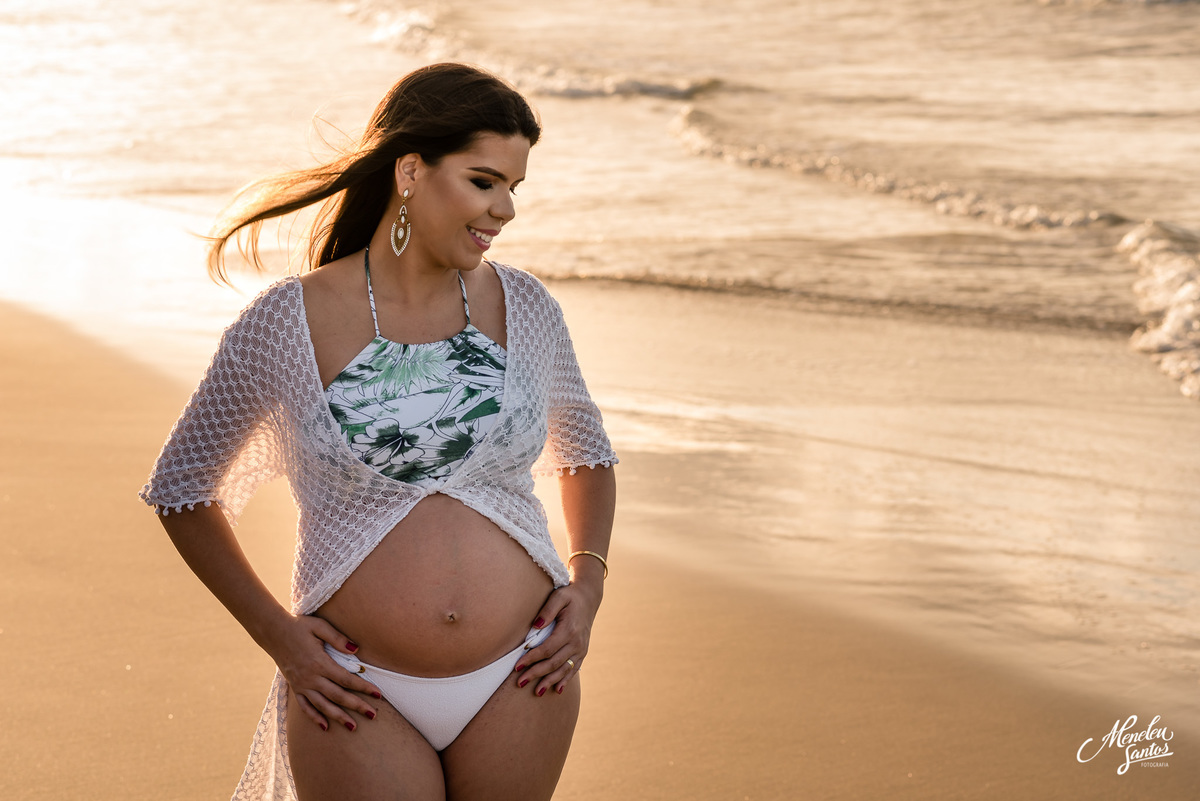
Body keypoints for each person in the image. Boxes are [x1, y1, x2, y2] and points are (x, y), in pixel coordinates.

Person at [140, 63, 618, 801]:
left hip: (524, 671)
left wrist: (587, 585)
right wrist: (279, 636)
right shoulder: (288, 321)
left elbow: (586, 453)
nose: (505, 210)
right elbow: (182, 488)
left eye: (515, 188)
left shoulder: (525, 306)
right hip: (356, 689)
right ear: (410, 171)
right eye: (484, 181)